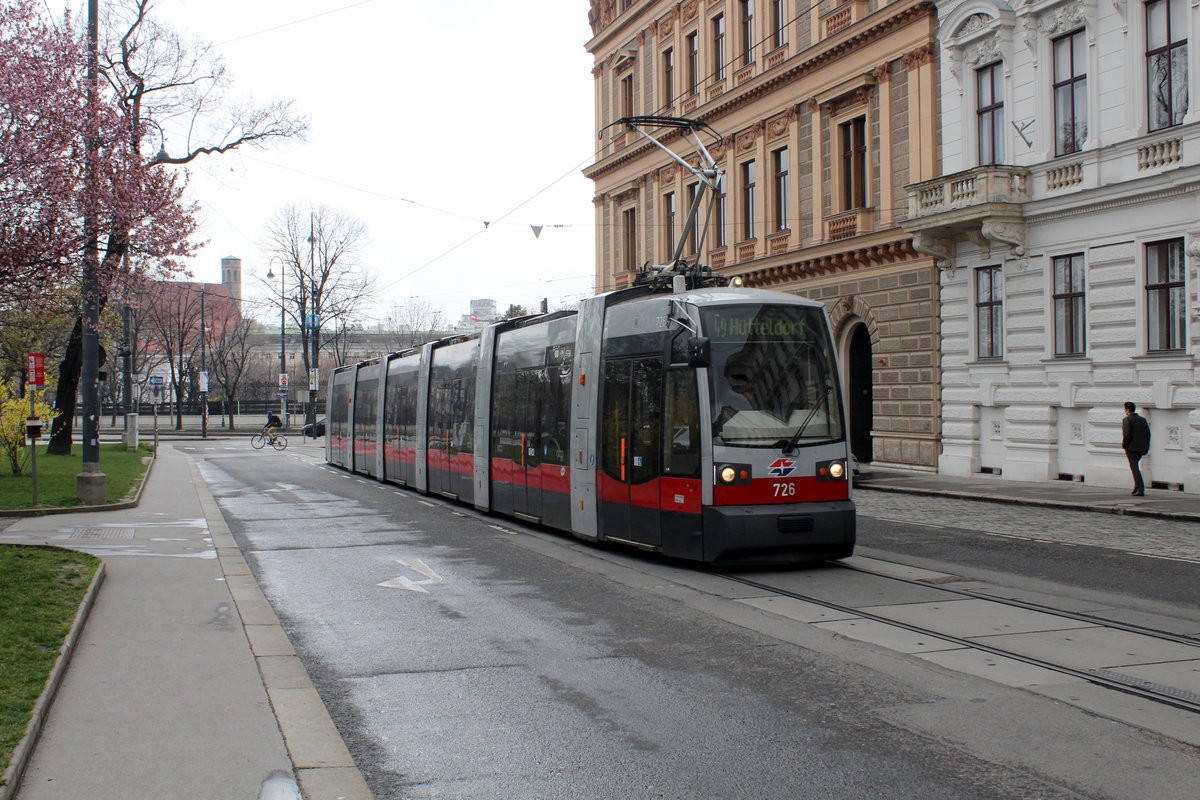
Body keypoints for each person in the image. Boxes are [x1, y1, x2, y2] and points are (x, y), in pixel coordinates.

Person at [1121, 401, 1150, 496]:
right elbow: (1148, 434)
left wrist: (1124, 445)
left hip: (1132, 448)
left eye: (1124, 409)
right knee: (1135, 467)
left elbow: (1127, 434)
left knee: (1134, 468)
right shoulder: (1142, 419)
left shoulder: (1127, 420)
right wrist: (1146, 446)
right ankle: (1136, 487)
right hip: (1142, 447)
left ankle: (1140, 489)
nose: (1124, 411)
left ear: (1127, 409)